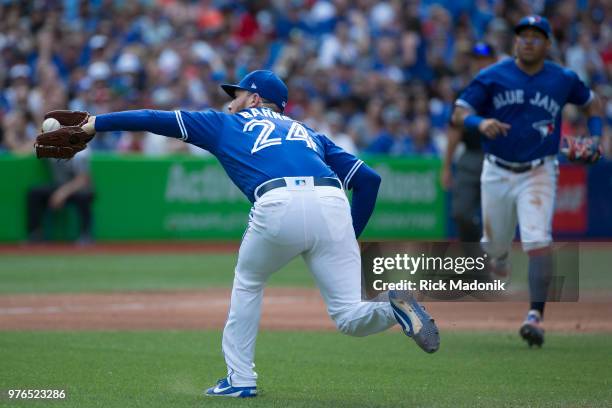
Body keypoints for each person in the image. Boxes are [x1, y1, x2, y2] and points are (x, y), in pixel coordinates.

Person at [75, 70, 440, 397]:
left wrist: (93, 123)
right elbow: (369, 181)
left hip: (278, 199)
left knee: (249, 281)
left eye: (236, 94)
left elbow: (153, 118)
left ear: (253, 98)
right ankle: (394, 306)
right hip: (332, 201)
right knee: (348, 316)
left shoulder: (223, 124)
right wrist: (345, 236)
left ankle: (240, 379)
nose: (229, 101)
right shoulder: (309, 133)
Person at [451, 16, 604, 347]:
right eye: (523, 36)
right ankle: (500, 258)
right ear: (515, 42)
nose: (528, 41)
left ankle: (535, 316)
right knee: (493, 246)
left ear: (547, 44)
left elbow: (593, 104)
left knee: (537, 239)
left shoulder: (562, 78)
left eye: (536, 36)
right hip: (496, 170)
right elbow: (459, 112)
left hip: (539, 170)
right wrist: (480, 122)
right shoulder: (493, 75)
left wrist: (594, 138)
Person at [442, 42, 498, 244]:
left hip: (499, 157)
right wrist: (447, 166)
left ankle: (494, 262)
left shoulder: (506, 91)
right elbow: (454, 130)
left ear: (494, 61)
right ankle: (475, 258)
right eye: (476, 60)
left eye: (484, 59)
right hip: (472, 155)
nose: (479, 64)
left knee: (498, 218)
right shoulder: (466, 93)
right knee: (461, 213)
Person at [27, 150, 94, 243]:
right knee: (34, 193)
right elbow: (33, 148)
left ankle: (86, 234)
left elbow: (83, 180)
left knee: (84, 196)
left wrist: (62, 193)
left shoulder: (80, 153)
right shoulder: (51, 148)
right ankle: (35, 234)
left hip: (77, 189)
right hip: (59, 186)